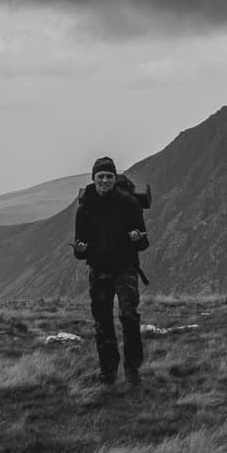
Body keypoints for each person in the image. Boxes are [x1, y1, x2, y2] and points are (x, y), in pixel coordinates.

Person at [72, 156, 149, 386]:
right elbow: (79, 249)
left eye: (108, 176)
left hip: (125, 268)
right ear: (93, 178)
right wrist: (81, 250)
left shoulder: (129, 204)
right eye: (100, 176)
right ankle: (109, 372)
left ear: (115, 178)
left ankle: (132, 370)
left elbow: (144, 243)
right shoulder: (85, 209)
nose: (104, 180)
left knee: (129, 318)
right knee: (103, 322)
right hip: (99, 270)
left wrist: (137, 239)